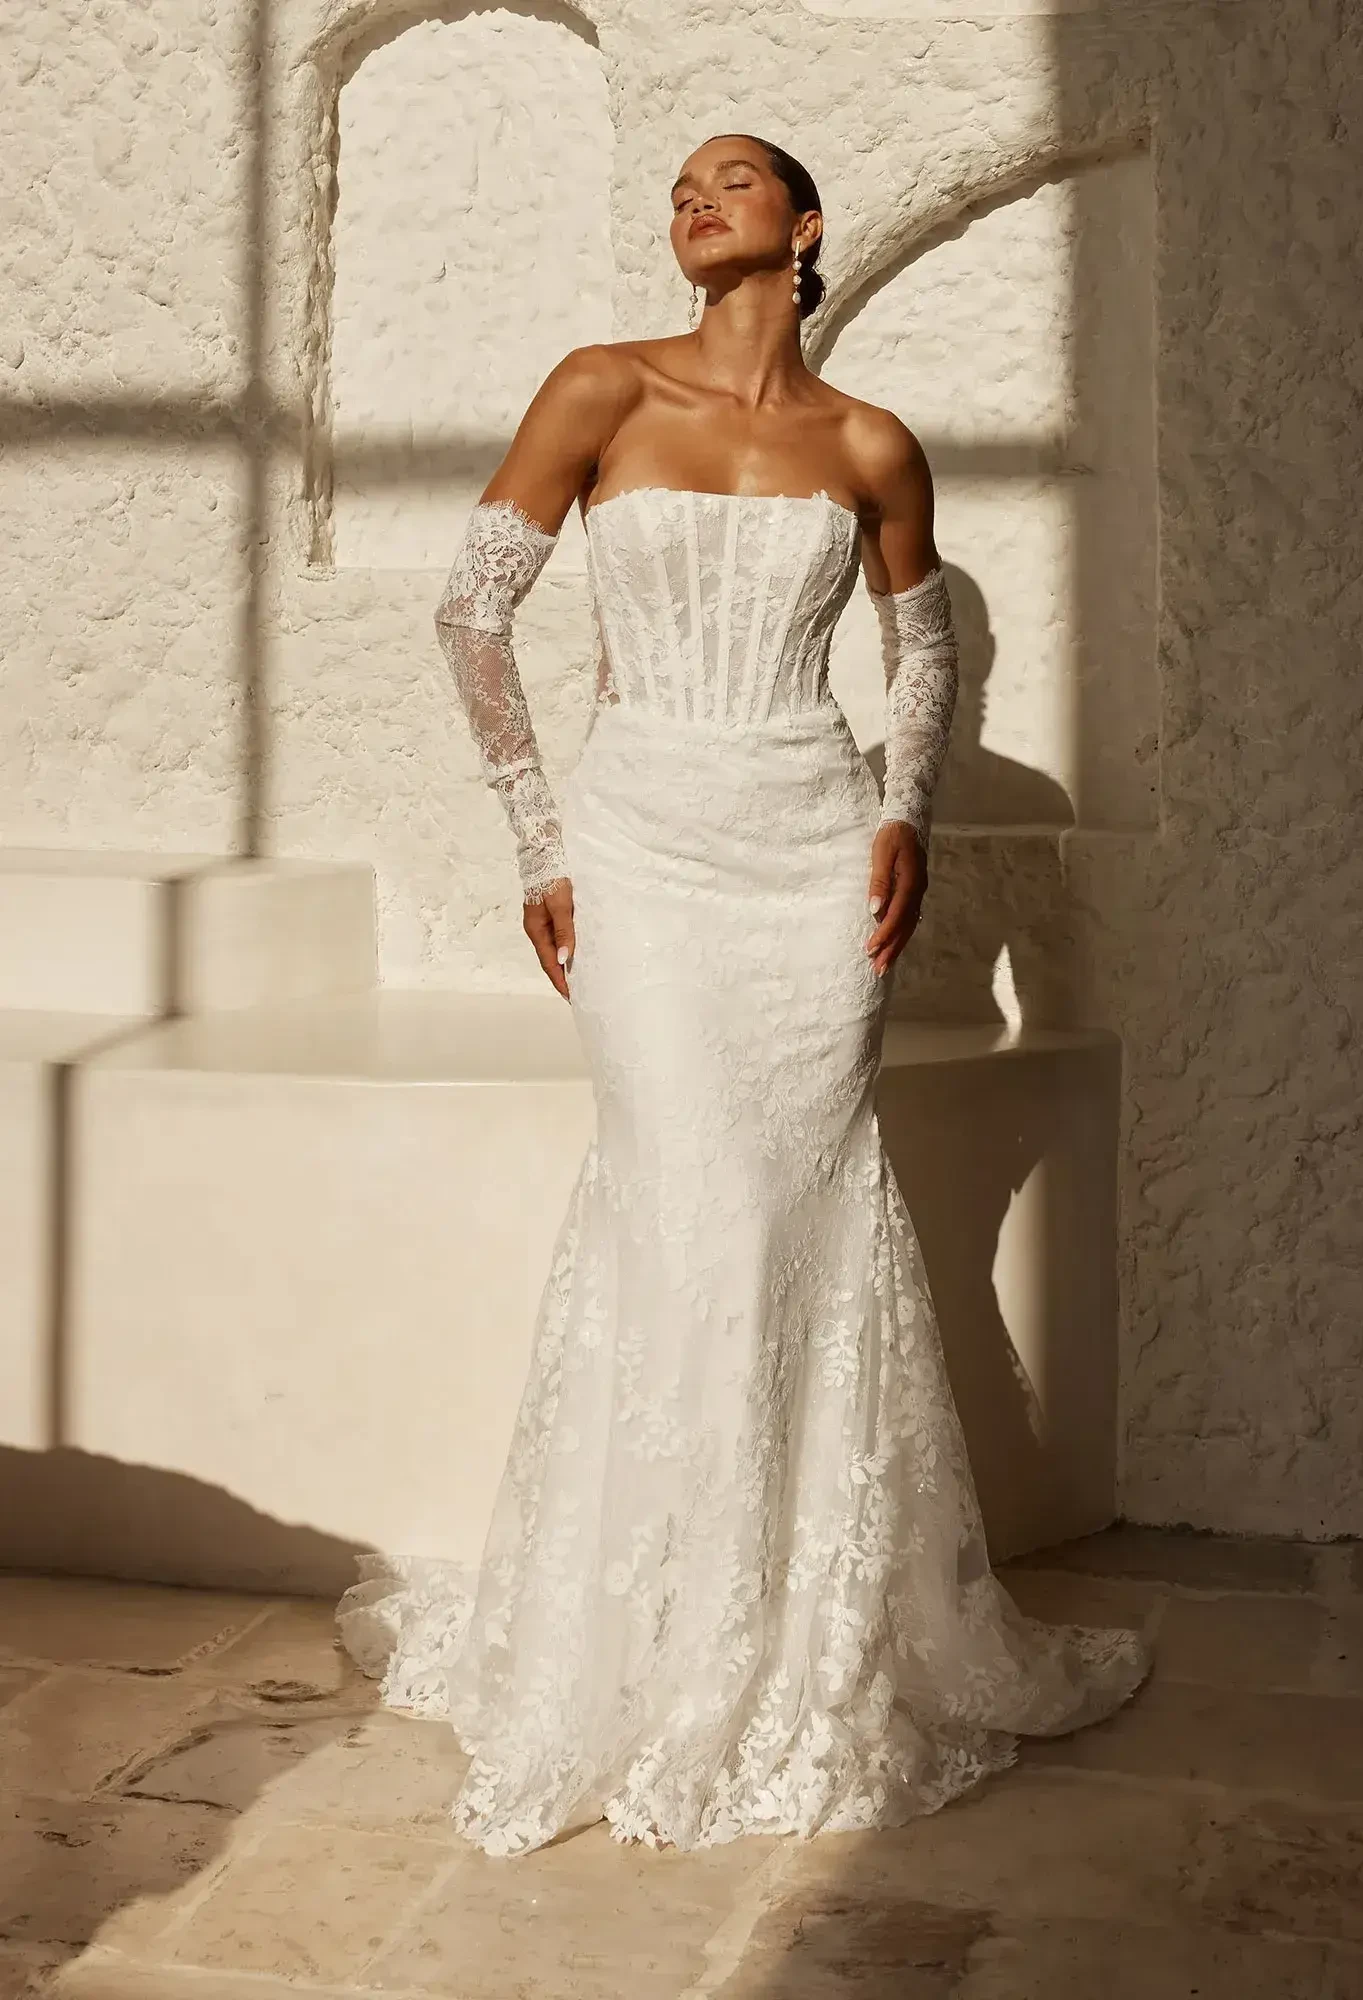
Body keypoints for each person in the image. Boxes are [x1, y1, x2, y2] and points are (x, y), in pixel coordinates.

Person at [335, 132, 1150, 1858]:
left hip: (807, 854)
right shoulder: (601, 386)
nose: (695, 201)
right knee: (681, 1194)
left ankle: (799, 1637)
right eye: (681, 189)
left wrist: (904, 813)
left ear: (804, 226)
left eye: (733, 182)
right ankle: (637, 1642)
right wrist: (541, 836)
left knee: (794, 1210)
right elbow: (474, 617)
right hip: (643, 842)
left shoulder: (869, 442)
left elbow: (923, 650)